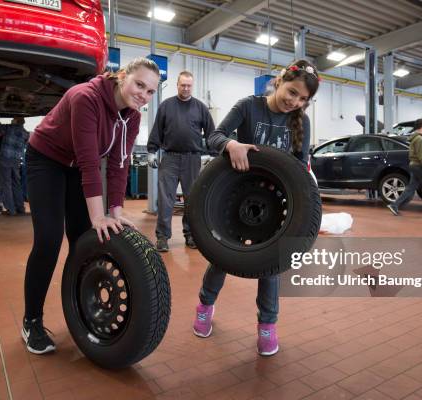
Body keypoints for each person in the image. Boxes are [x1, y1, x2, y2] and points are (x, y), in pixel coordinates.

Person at [21, 57, 160, 354]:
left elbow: (118, 165)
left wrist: (116, 213)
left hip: (74, 166)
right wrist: (99, 216)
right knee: (48, 239)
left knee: (83, 239)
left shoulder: (132, 115)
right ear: (123, 76)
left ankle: (79, 309)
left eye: (150, 92)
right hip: (46, 159)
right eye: (139, 85)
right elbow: (88, 163)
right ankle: (32, 320)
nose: (143, 95)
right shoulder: (86, 97)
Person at [192, 59, 319, 356]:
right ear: (279, 81)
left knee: (270, 267)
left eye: (303, 99)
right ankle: (205, 306)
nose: (294, 101)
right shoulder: (249, 106)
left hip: (276, 203)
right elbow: (212, 137)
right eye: (292, 92)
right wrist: (231, 146)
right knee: (221, 257)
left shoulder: (301, 121)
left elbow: (300, 168)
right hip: (236, 195)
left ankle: (267, 325)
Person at [147, 71, 215, 252]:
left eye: (189, 85)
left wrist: (215, 154)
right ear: (177, 84)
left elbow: (211, 133)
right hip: (169, 158)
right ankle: (162, 237)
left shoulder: (201, 108)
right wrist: (152, 151)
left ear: (192, 86)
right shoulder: (166, 106)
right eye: (182, 85)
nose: (185, 88)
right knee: (165, 199)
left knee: (191, 200)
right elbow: (156, 131)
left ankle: (191, 235)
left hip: (192, 159)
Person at [0, 116, 29, 215]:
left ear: (17, 121)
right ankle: (20, 209)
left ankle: (11, 209)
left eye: (13, 118)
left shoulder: (9, 128)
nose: (11, 119)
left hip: (5, 160)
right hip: (16, 161)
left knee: (5, 185)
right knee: (16, 185)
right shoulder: (26, 133)